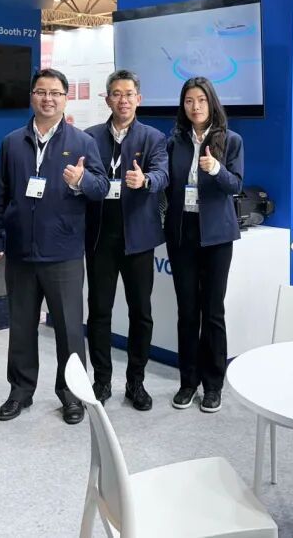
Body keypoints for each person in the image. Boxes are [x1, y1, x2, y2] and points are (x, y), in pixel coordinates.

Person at [0, 68, 108, 425]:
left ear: (65, 99)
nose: (48, 99)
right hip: (21, 251)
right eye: (41, 91)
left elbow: (101, 188)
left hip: (63, 251)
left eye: (55, 93)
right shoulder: (12, 142)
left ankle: (72, 395)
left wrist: (82, 180)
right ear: (32, 96)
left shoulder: (83, 142)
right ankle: (20, 392)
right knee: (21, 326)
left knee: (70, 330)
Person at [84, 70, 168, 410]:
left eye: (129, 94)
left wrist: (145, 180)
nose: (123, 100)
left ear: (139, 99)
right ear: (107, 99)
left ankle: (136, 382)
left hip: (138, 238)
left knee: (141, 313)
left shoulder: (153, 137)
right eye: (117, 94)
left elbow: (163, 174)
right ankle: (102, 381)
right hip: (100, 237)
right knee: (99, 312)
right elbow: (85, 178)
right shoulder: (90, 137)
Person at [164, 76, 244, 414]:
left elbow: (235, 186)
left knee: (212, 312)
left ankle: (213, 385)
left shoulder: (231, 140)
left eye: (201, 100)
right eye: (188, 101)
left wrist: (216, 169)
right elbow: (167, 184)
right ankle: (188, 382)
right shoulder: (175, 141)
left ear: (211, 103)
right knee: (187, 311)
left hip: (216, 236)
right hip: (182, 233)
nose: (195, 107)